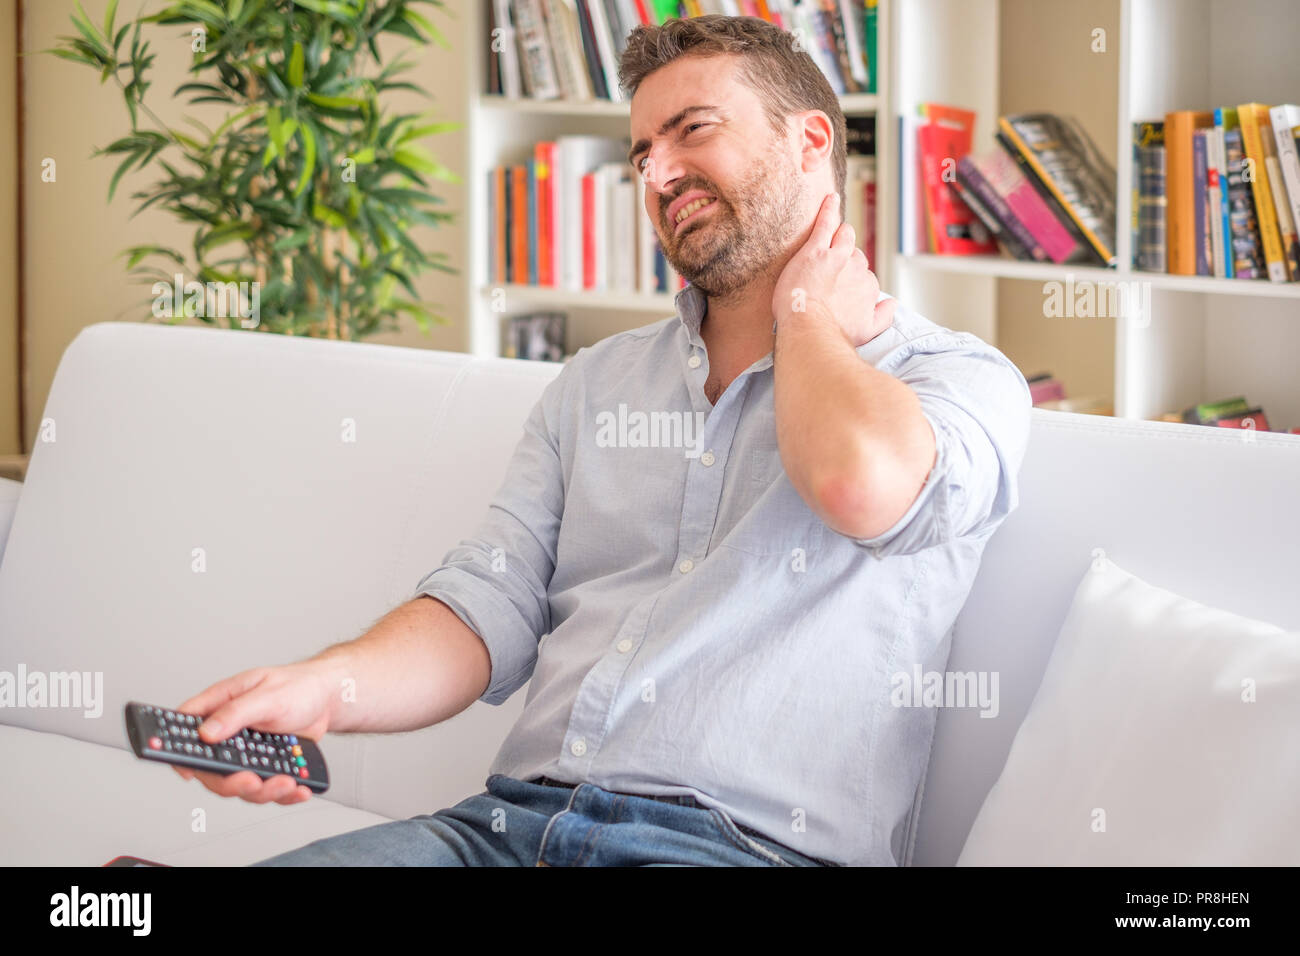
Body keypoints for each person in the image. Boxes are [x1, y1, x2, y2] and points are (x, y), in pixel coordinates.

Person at [174, 14, 1032, 867]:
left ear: (810, 141)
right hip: (501, 831)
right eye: (642, 154)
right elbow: (488, 605)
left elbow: (860, 488)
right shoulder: (595, 384)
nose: (659, 172)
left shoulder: (955, 379)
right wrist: (326, 688)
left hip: (746, 852)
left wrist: (804, 312)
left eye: (693, 129)